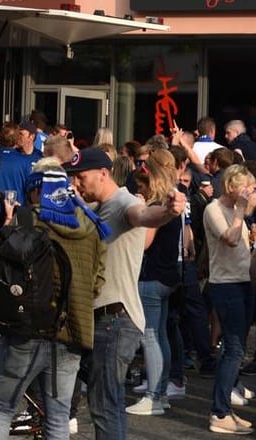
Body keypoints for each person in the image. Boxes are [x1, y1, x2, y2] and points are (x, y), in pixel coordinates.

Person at [0, 160, 107, 440]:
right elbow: (98, 281)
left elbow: (1, 270)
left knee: (2, 408)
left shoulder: (26, 219)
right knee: (58, 415)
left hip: (26, 328)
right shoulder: (91, 224)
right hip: (72, 329)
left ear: (38, 190)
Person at [70, 146, 187, 440]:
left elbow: (145, 214)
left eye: (81, 177)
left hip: (116, 319)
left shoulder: (124, 202)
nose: (76, 184)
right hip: (102, 319)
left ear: (103, 173)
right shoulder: (94, 207)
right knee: (105, 404)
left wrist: (169, 211)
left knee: (105, 405)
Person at [131, 147, 188, 416]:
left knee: (150, 336)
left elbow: (144, 243)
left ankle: (154, 395)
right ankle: (161, 392)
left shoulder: (157, 205)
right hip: (167, 276)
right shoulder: (172, 200)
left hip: (152, 276)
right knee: (160, 334)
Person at [203, 163, 256, 433]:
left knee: (235, 348)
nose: (250, 191)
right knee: (234, 348)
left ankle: (226, 408)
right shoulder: (214, 209)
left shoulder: (239, 210)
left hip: (244, 283)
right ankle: (220, 412)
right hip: (226, 286)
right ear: (231, 185)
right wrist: (240, 211)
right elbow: (231, 239)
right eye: (245, 186)